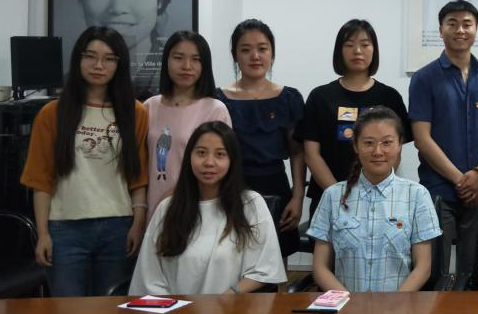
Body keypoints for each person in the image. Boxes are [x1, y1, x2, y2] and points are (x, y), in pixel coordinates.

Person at [20, 26, 149, 297]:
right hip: (65, 230)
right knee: (68, 313)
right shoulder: (52, 113)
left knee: (112, 312)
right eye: (90, 56)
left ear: (119, 64)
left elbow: (138, 177)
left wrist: (138, 225)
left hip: (118, 227)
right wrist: (43, 233)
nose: (98, 65)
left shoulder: (134, 112)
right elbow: (40, 180)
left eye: (109, 58)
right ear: (78, 59)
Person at [130, 122, 286, 295]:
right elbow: (149, 276)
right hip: (174, 309)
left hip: (231, 308)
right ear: (189, 157)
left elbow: (265, 269)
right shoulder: (167, 208)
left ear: (232, 160)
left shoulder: (250, 204)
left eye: (220, 154)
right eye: (201, 153)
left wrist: (228, 296)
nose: (209, 162)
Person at [409, 0, 478, 282]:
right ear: (441, 29)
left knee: (477, 270)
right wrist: (461, 179)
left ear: (476, 30)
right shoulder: (424, 78)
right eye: (452, 23)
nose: (460, 30)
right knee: (435, 269)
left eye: (467, 24)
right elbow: (421, 138)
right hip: (438, 188)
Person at [308, 107, 441, 292]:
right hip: (346, 305)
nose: (378, 151)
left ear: (400, 144)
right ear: (356, 146)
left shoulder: (417, 195)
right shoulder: (332, 195)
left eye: (387, 143)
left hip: (399, 305)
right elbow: (320, 268)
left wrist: (394, 303)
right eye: (369, 143)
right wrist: (348, 301)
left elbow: (423, 267)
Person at [298, 19, 410, 222]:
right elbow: (311, 154)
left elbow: (395, 151)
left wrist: (371, 192)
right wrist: (339, 195)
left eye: (365, 44)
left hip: (378, 199)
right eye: (349, 45)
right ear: (339, 51)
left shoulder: (389, 97)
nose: (357, 51)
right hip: (328, 198)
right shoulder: (320, 97)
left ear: (374, 50)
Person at [215, 19, 305, 258]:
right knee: (232, 256)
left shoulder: (289, 98)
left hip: (275, 185)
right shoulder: (219, 100)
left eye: (262, 49)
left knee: (276, 258)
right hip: (231, 187)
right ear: (235, 55)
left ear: (272, 53)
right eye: (246, 49)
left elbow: (297, 152)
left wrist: (297, 196)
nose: (255, 56)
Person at [143, 31, 231, 221]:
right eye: (178, 58)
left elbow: (221, 167)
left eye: (196, 59)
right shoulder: (149, 106)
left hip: (195, 208)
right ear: (166, 61)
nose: (186, 66)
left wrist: (174, 196)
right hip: (151, 207)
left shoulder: (215, 109)